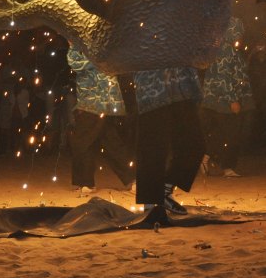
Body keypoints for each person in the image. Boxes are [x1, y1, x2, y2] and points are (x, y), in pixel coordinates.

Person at [131, 65, 206, 224]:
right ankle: (151, 200)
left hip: (182, 88)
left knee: (194, 143)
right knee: (153, 146)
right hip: (152, 89)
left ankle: (165, 188)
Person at [67, 48, 134, 193]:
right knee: (110, 140)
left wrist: (74, 45)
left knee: (82, 140)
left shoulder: (85, 41)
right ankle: (132, 179)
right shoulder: (106, 40)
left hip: (93, 100)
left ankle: (85, 182)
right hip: (105, 99)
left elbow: (75, 64)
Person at [200, 17, 252, 177]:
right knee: (230, 132)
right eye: (239, 31)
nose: (241, 36)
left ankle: (215, 161)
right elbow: (223, 77)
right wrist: (233, 100)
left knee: (225, 132)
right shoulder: (224, 50)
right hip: (222, 100)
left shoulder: (225, 48)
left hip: (221, 99)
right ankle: (222, 164)